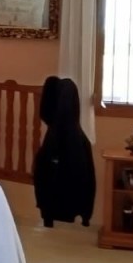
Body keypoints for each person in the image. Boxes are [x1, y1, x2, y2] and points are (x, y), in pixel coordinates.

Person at [33, 76, 97, 229]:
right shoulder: (79, 139)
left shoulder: (56, 137)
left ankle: (50, 217)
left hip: (58, 152)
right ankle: (80, 217)